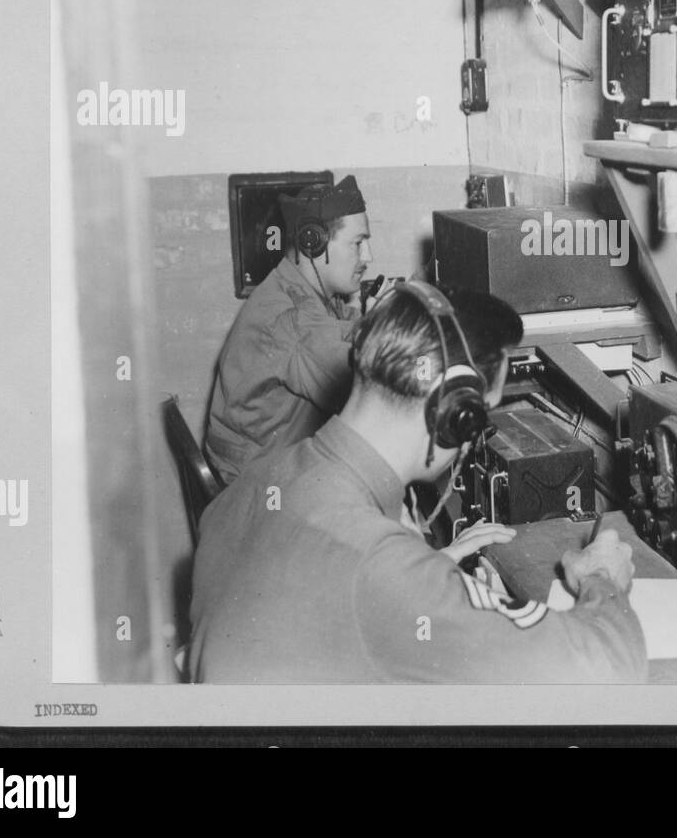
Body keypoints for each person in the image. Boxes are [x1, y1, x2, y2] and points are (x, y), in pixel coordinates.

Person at [188, 284, 647, 684]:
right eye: (479, 416)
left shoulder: (257, 480)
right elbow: (606, 671)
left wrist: (435, 572)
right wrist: (601, 577)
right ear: (452, 413)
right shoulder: (379, 568)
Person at [204, 175, 373, 484]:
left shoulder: (294, 288)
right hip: (258, 483)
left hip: (265, 463)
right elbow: (365, 390)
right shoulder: (290, 318)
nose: (368, 258)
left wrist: (370, 319)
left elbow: (332, 329)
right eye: (358, 244)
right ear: (313, 242)